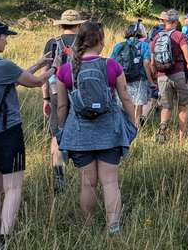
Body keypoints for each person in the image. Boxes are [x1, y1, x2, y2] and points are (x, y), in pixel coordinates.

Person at [0, 19, 52, 250]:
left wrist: (38, 62)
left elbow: (15, 78)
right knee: (13, 187)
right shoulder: (1, 65)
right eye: (5, 36)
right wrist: (54, 68)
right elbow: (35, 83)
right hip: (7, 133)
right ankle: (5, 242)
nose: (7, 40)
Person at [56, 21, 138, 232]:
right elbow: (125, 98)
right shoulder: (112, 66)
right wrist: (133, 121)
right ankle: (114, 227)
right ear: (100, 41)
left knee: (87, 183)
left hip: (80, 134)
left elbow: (62, 105)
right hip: (109, 131)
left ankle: (87, 226)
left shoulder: (66, 70)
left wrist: (62, 130)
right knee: (110, 182)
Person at [41, 9, 87, 193]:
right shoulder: (84, 41)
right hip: (79, 92)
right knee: (82, 130)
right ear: (78, 25)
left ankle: (59, 177)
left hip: (54, 91)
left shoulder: (52, 43)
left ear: (61, 24)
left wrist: (45, 97)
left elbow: (45, 73)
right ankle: (85, 174)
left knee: (56, 133)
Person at [149, 10, 188, 144]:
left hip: (162, 76)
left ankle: (162, 130)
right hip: (178, 74)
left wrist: (155, 77)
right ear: (176, 22)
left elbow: (152, 63)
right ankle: (181, 140)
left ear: (165, 21)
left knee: (166, 106)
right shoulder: (179, 35)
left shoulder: (156, 37)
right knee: (182, 106)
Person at [110, 20, 155, 124]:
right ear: (140, 33)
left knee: (122, 105)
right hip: (139, 80)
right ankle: (136, 128)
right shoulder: (144, 46)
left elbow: (112, 63)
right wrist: (151, 81)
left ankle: (123, 128)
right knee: (137, 108)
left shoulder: (118, 46)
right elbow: (146, 64)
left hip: (121, 80)